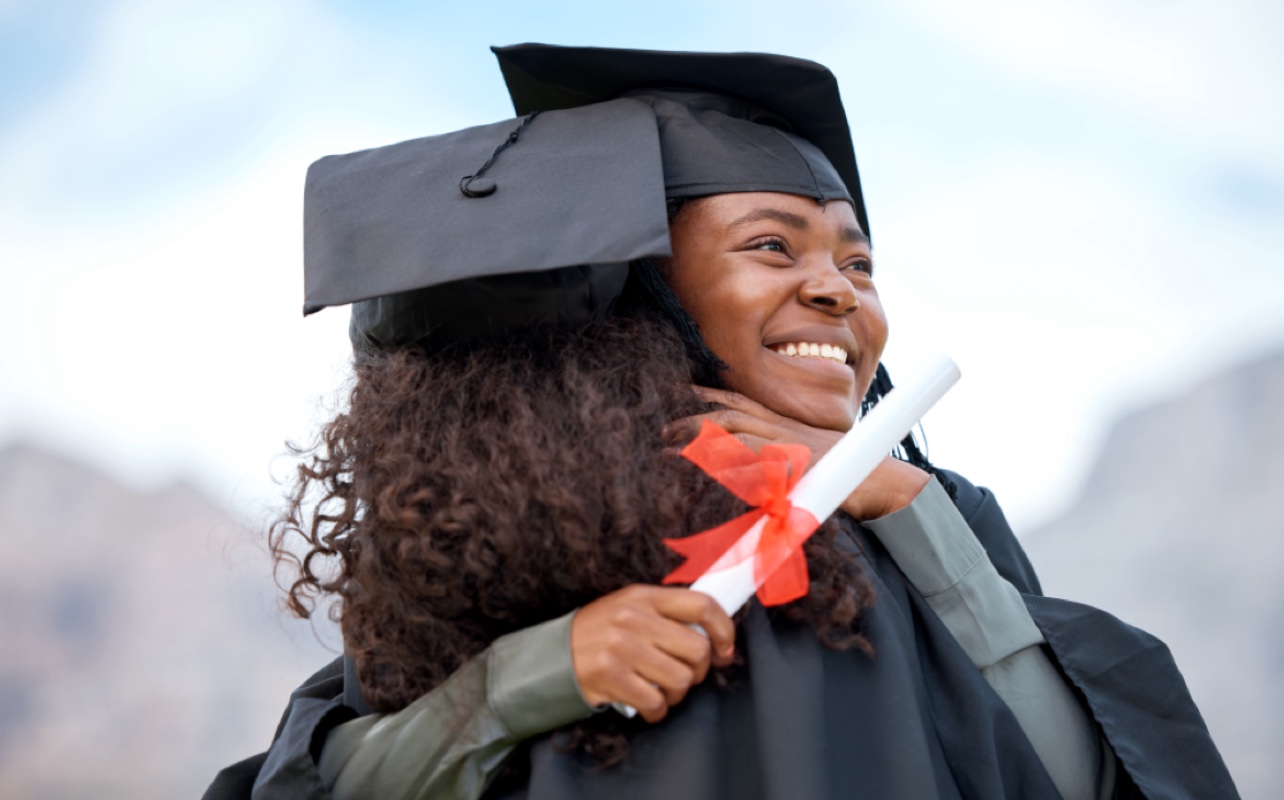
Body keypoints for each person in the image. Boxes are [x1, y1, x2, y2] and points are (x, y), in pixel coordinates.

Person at [205, 45, 1239, 800]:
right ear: (646, 293)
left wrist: (910, 511)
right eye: (772, 247)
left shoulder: (933, 521)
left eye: (858, 260)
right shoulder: (528, 524)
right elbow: (330, 785)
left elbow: (1083, 778)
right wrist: (538, 673)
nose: (838, 290)